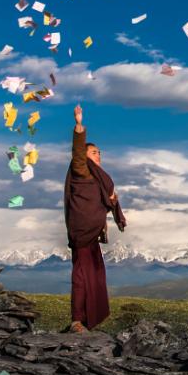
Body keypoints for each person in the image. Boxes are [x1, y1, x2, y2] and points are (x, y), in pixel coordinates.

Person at [64, 104, 126, 332]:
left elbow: (99, 204)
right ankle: (77, 320)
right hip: (82, 231)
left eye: (99, 152)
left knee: (96, 275)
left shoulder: (99, 179)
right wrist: (79, 125)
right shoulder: (82, 169)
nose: (98, 154)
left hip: (93, 233)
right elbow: (78, 153)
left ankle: (89, 320)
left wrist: (110, 201)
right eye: (94, 152)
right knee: (81, 275)